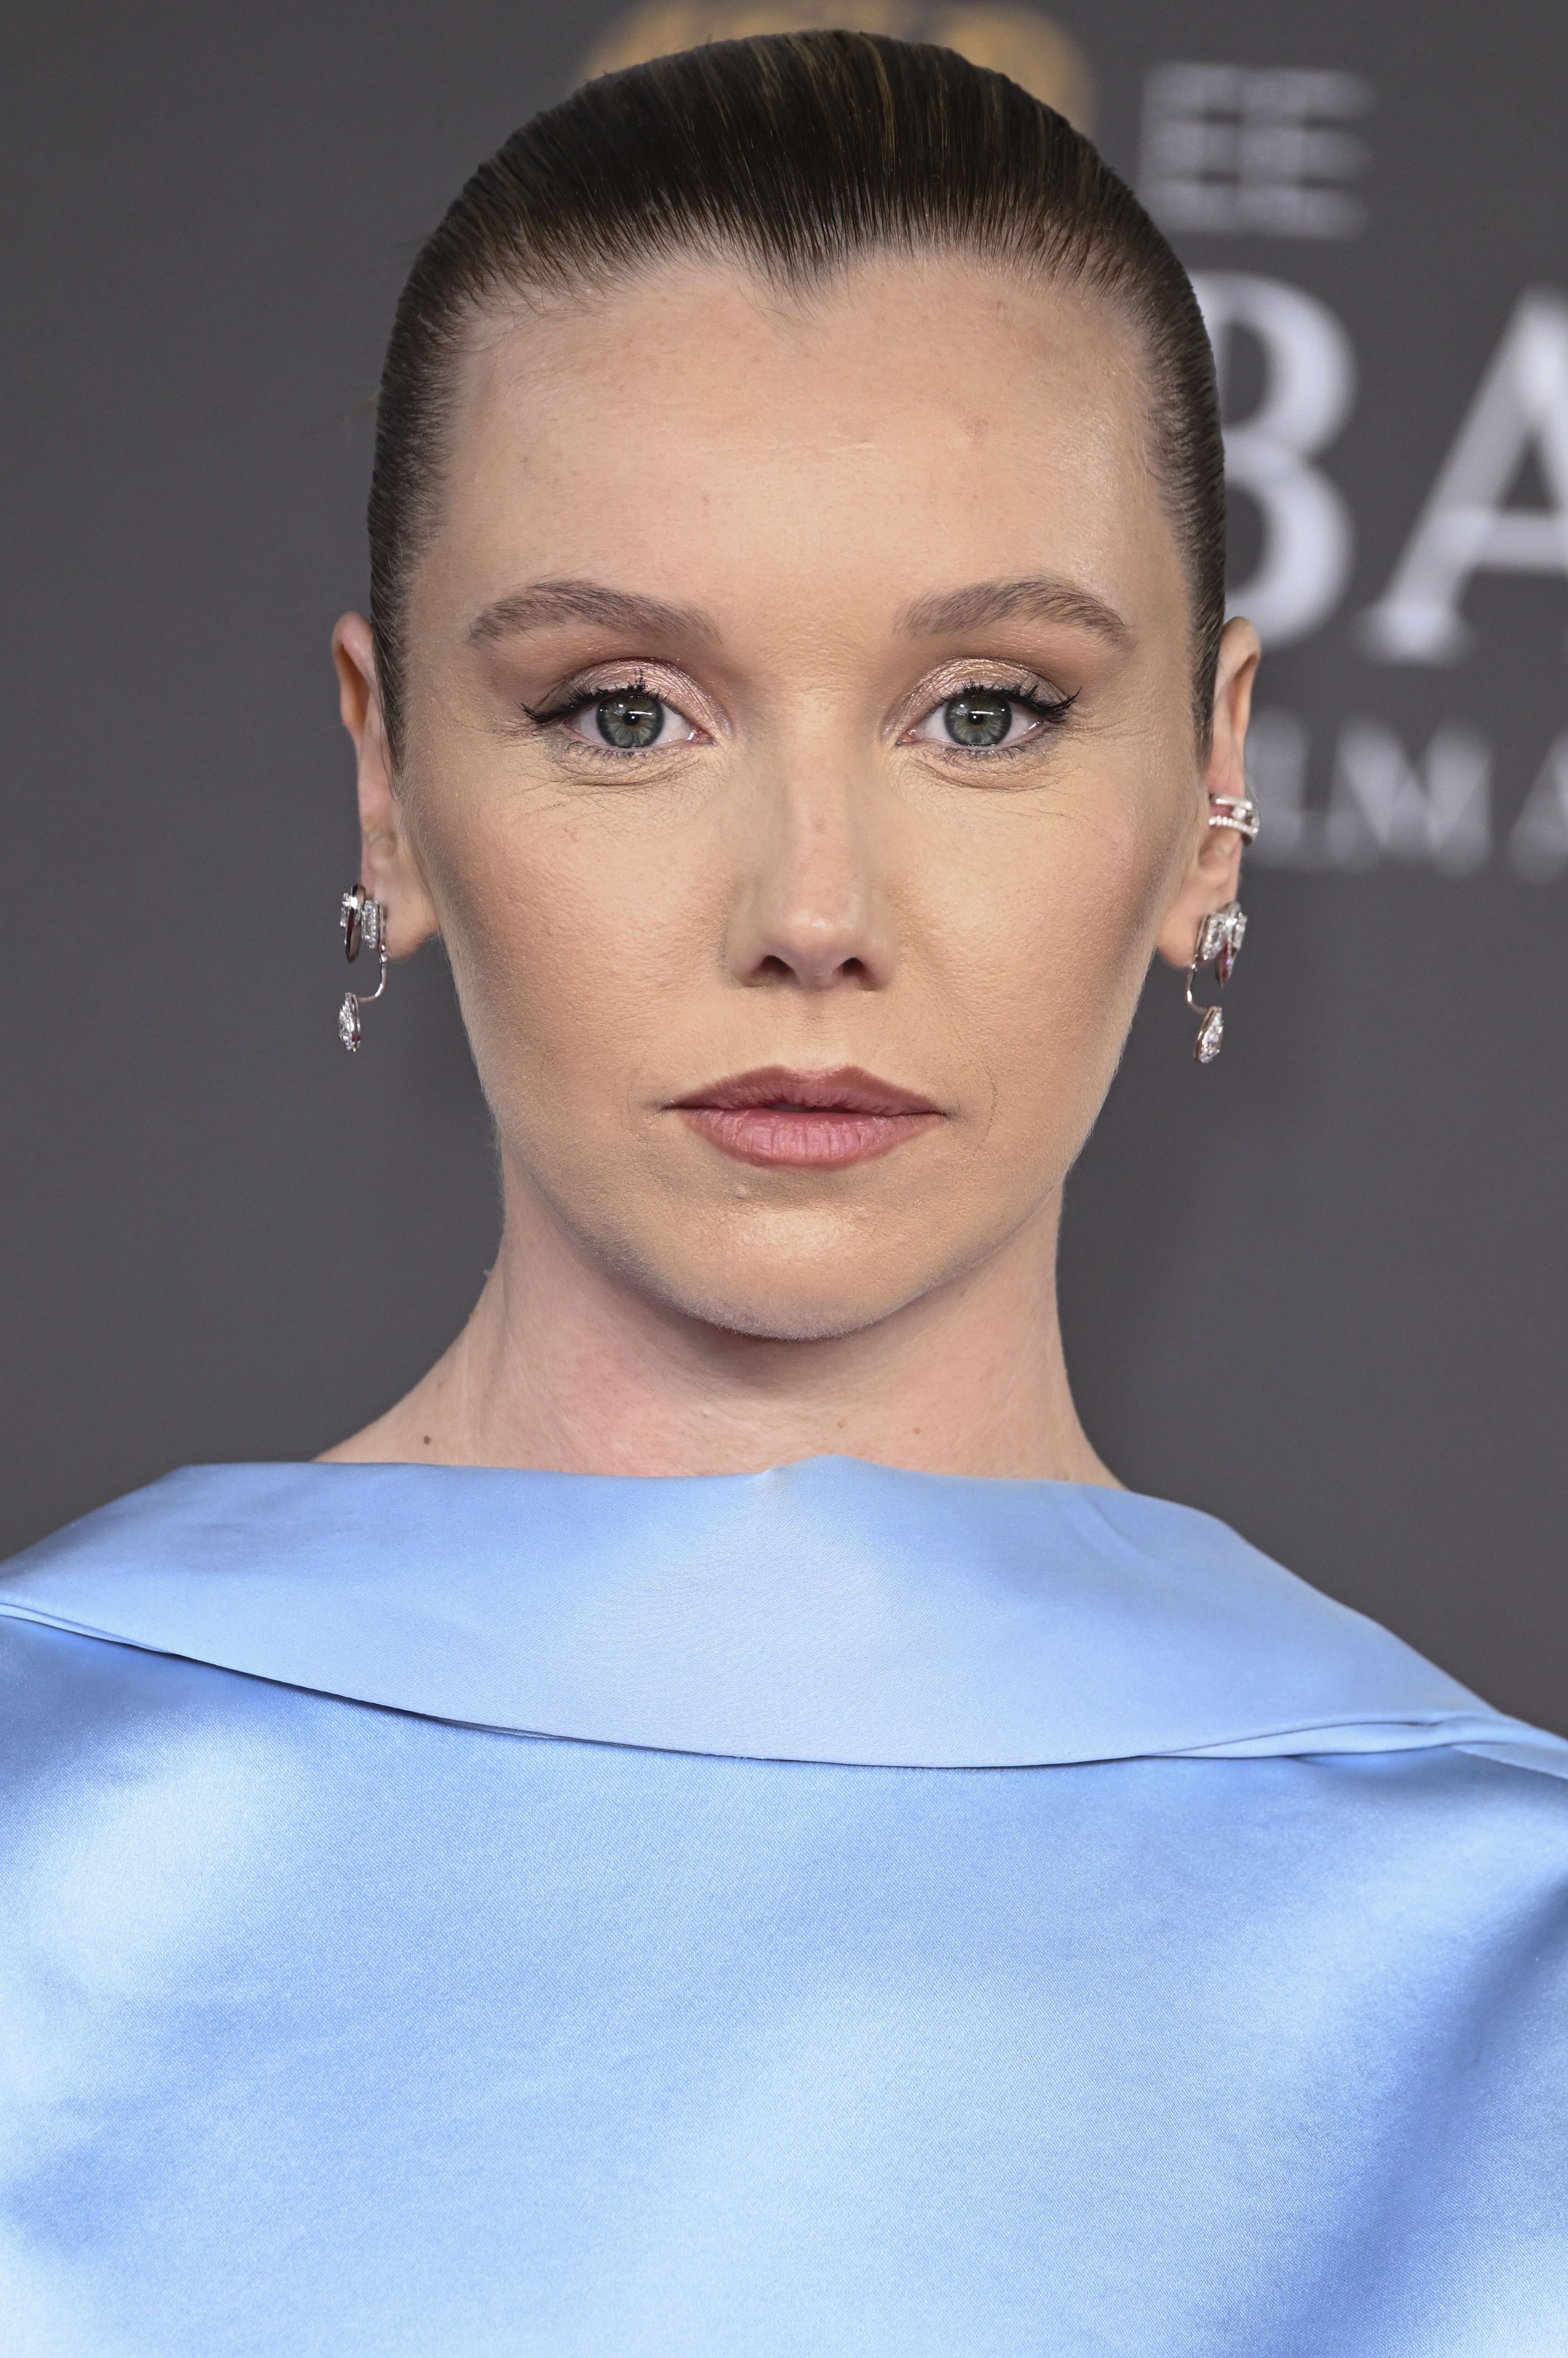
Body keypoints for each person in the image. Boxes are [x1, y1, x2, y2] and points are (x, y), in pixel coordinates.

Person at [1, 32, 1564, 2356]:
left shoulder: (1515, 1978)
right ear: (387, 780)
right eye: (626, 708)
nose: (814, 910)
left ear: (1212, 785)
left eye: (988, 709)